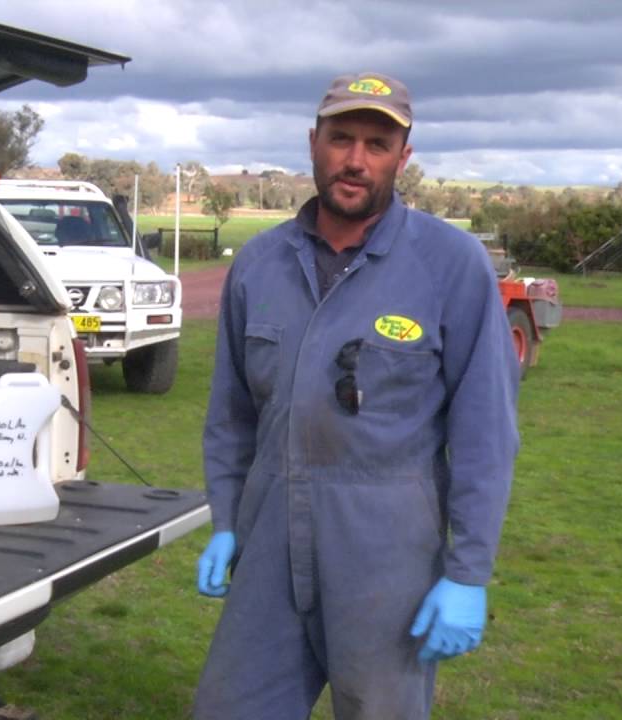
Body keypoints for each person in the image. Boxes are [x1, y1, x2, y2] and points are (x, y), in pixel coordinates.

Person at [192, 72, 520, 720]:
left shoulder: (450, 265)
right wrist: (227, 522)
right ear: (314, 142)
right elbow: (231, 417)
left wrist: (467, 573)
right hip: (268, 544)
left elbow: (485, 433)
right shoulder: (259, 264)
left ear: (404, 155)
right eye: (341, 138)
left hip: (385, 558)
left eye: (376, 143)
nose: (355, 159)